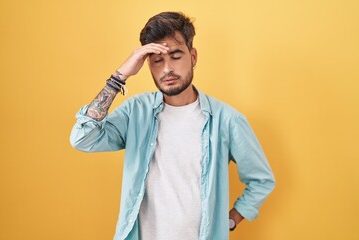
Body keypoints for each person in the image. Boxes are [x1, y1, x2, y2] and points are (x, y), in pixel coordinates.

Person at [70, 11, 275, 240]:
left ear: (193, 57)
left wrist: (229, 220)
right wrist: (119, 77)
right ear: (147, 65)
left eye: (176, 56)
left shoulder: (227, 120)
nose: (167, 68)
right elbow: (82, 138)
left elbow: (261, 180)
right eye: (157, 60)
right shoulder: (136, 112)